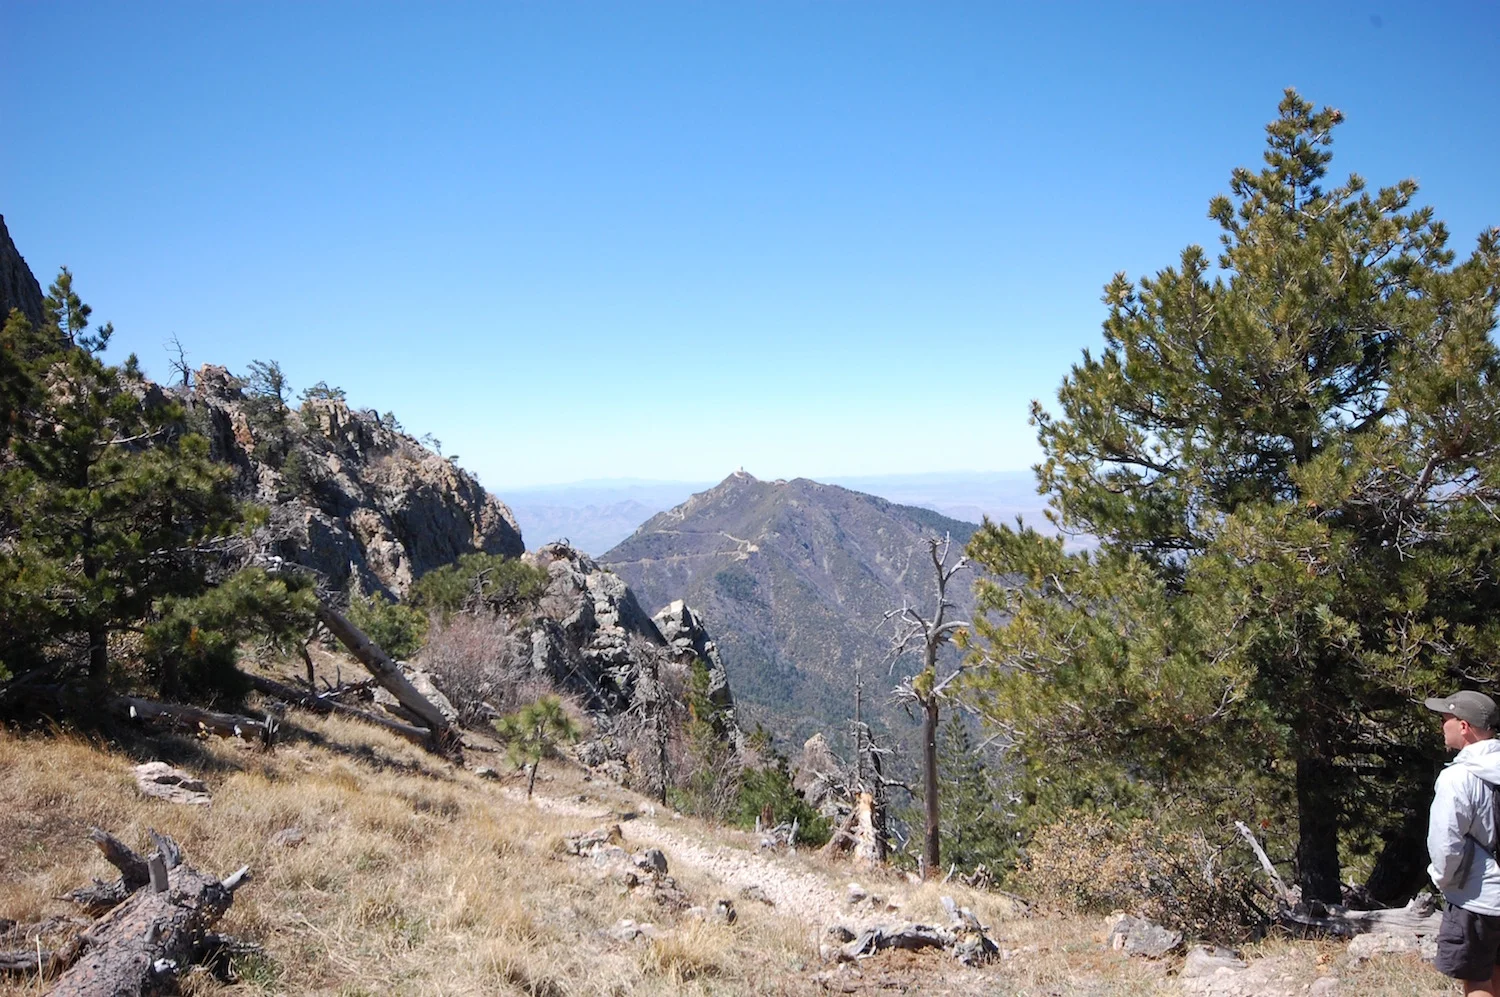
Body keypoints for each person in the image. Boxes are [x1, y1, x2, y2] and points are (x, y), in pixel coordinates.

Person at [1427, 690, 1500, 995]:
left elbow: (1446, 845)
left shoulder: (1457, 778)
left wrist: (1443, 881)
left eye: (1446, 718)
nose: (1442, 724)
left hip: (1477, 897)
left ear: (1465, 727)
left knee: (1477, 980)